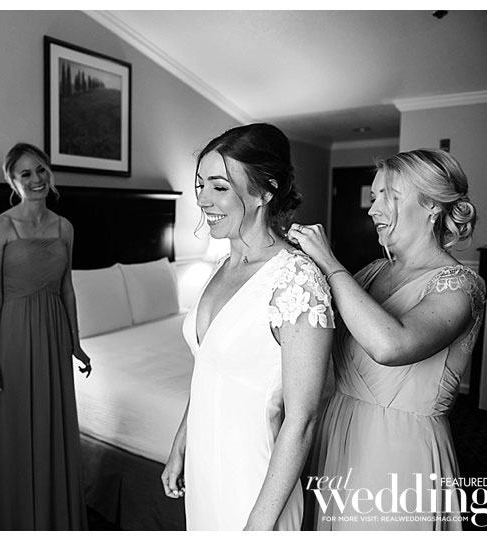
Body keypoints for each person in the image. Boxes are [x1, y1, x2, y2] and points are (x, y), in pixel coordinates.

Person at [289, 149, 485, 530]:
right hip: (336, 433)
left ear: (432, 206)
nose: (373, 209)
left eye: (388, 197)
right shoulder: (371, 273)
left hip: (398, 451)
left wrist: (329, 262)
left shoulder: (460, 285)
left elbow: (390, 346)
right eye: (375, 196)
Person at [161, 123, 335, 530]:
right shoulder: (221, 267)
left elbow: (303, 420)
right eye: (200, 185)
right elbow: (207, 369)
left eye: (219, 187)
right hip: (205, 469)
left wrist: (258, 525)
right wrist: (181, 442)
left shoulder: (297, 280)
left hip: (254, 481)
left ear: (265, 191)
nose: (202, 199)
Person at [0, 142, 92, 530]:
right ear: (12, 181)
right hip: (12, 336)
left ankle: (53, 518)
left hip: (53, 335)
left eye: (41, 169)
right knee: (17, 427)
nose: (36, 179)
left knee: (50, 426)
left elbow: (67, 289)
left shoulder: (64, 227)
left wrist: (75, 342)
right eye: (25, 173)